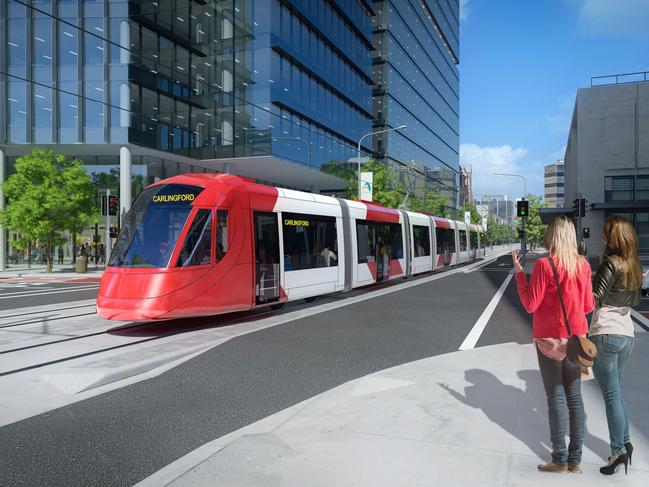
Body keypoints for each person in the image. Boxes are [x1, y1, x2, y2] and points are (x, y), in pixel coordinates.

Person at [512, 215, 595, 474]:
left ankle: (559, 459)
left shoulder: (544, 265)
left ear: (552, 236)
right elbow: (589, 306)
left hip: (549, 339)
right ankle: (576, 459)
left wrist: (519, 275)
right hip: (576, 341)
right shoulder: (583, 265)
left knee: (555, 399)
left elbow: (530, 305)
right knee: (575, 399)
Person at [590, 216, 642, 475]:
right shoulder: (634, 266)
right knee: (616, 393)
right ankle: (626, 442)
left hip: (606, 332)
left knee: (610, 396)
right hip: (627, 334)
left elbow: (594, 298)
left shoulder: (610, 263)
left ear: (613, 237)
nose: (602, 236)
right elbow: (636, 300)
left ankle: (618, 451)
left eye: (605, 232)